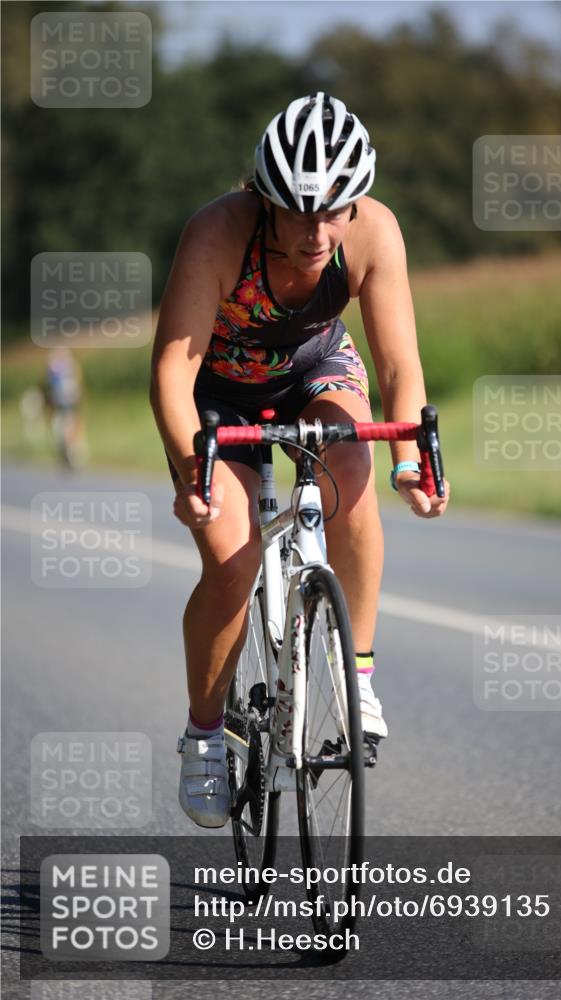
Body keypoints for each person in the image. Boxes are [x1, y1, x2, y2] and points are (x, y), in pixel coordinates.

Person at [150, 92, 450, 829]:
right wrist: (194, 470)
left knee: (349, 468)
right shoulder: (217, 233)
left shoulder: (373, 232)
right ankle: (203, 735)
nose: (317, 232)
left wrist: (413, 456)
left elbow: (398, 369)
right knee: (230, 556)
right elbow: (170, 375)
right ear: (262, 198)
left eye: (334, 209)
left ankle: (357, 676)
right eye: (297, 211)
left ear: (356, 201)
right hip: (220, 389)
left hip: (316, 366)